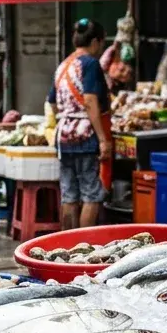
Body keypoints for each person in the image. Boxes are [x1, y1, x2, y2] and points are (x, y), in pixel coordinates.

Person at [48, 18, 113, 229]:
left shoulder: (63, 66)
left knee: (69, 195)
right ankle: (84, 246)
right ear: (95, 41)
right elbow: (90, 101)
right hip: (85, 136)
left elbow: (52, 103)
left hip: (64, 138)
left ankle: (67, 247)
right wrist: (103, 139)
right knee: (92, 194)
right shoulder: (90, 64)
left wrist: (69, 116)